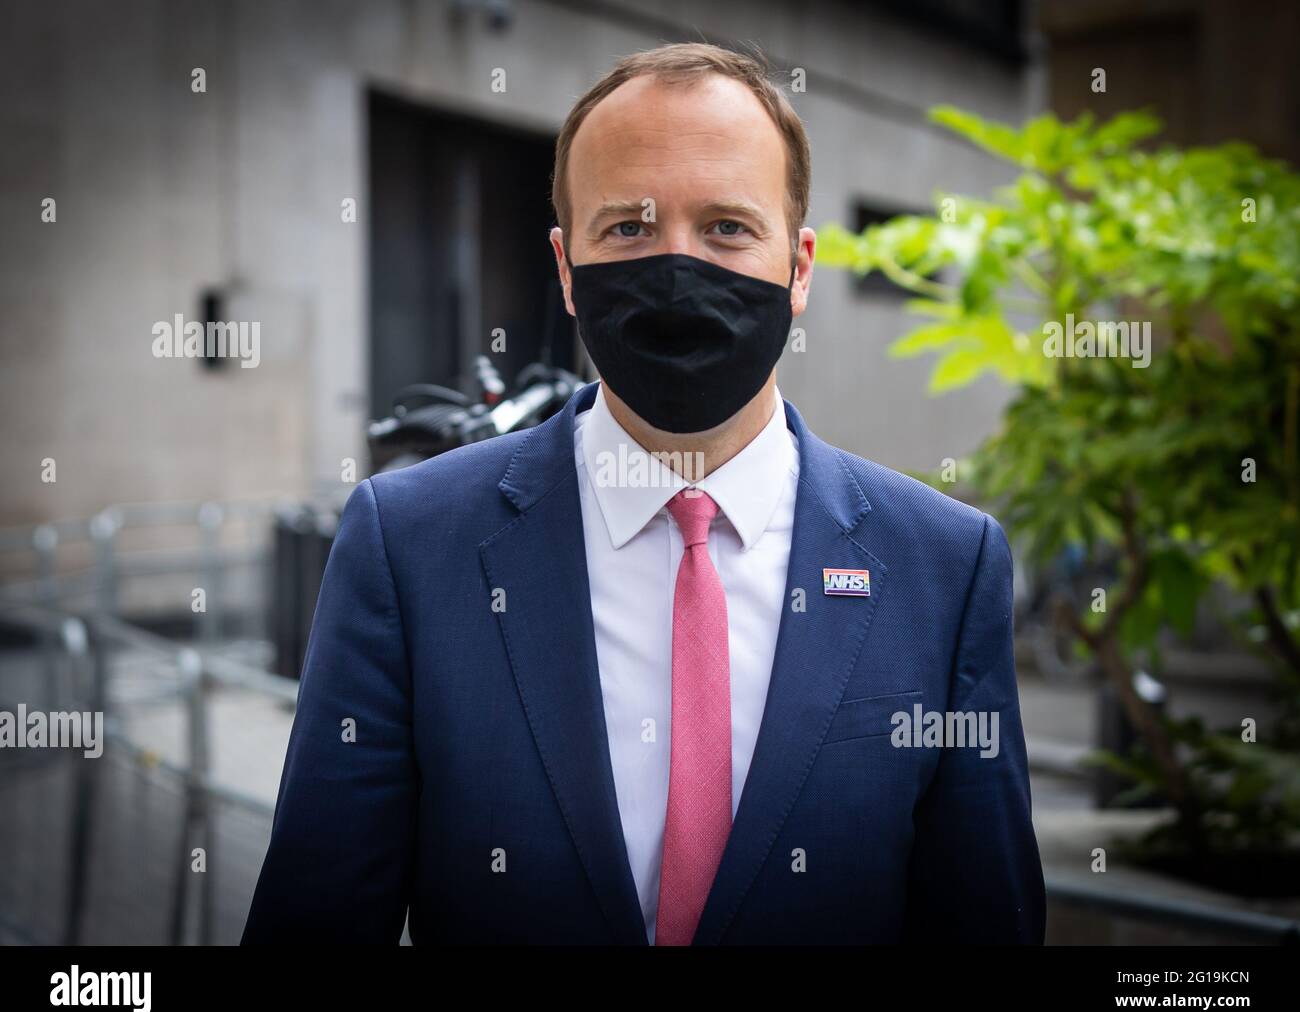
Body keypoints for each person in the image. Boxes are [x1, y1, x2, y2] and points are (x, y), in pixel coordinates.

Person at [242, 42, 1045, 946]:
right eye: (628, 227)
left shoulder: (943, 566)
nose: (676, 270)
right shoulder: (408, 543)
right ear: (564, 266)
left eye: (728, 229)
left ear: (802, 267)